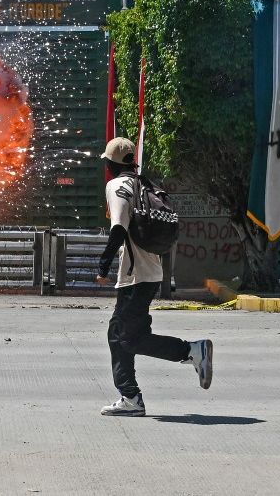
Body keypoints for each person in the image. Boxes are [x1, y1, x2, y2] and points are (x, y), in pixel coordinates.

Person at [96, 137, 213, 417]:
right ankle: (129, 396)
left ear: (111, 164)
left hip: (136, 276)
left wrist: (103, 265)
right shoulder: (144, 182)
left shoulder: (117, 186)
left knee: (128, 338)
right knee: (119, 335)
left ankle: (191, 351)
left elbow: (119, 228)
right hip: (149, 272)